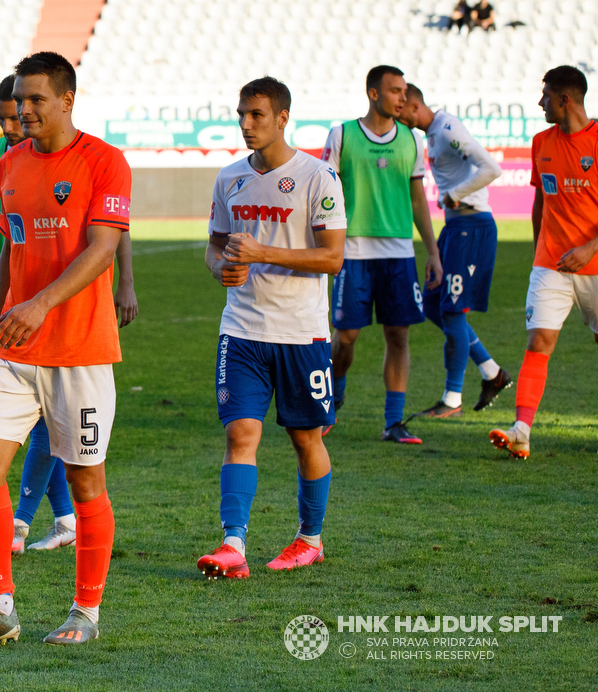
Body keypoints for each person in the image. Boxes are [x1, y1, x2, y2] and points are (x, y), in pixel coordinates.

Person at [0, 52, 130, 649]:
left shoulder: (105, 161)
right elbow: (9, 247)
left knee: (85, 481)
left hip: (80, 350)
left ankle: (86, 612)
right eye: (18, 100)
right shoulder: (8, 163)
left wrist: (40, 305)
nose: (22, 110)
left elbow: (101, 250)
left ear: (67, 100)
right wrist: (0, 319)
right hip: (15, 350)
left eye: (35, 100)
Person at [196, 76, 345, 581]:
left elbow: (333, 258)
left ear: (282, 118)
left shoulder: (318, 178)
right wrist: (222, 270)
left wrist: (262, 253)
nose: (245, 124)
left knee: (306, 438)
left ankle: (310, 539)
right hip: (241, 329)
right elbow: (216, 246)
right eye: (241, 114)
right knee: (241, 434)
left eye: (256, 115)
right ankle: (233, 543)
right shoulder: (229, 178)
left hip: (301, 333)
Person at [323, 66, 443, 443]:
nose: (403, 99)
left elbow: (417, 197)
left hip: (398, 253)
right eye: (395, 91)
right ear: (374, 94)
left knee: (398, 334)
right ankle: (333, 394)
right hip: (353, 252)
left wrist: (433, 251)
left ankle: (393, 422)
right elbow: (324, 193)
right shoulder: (341, 134)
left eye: (405, 92)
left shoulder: (410, 138)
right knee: (346, 338)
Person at [489, 66, 598, 459]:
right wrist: (540, 251)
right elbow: (540, 200)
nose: (540, 103)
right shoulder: (541, 142)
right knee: (539, 342)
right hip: (551, 264)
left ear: (565, 100)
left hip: (595, 264)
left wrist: (590, 248)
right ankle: (521, 432)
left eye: (546, 96)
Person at [395, 84, 511, 418]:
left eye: (401, 111)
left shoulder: (447, 129)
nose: (397, 118)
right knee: (432, 303)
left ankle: (452, 399)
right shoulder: (431, 133)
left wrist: (454, 194)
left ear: (414, 106)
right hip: (455, 228)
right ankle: (491, 372)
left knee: (452, 311)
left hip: (471, 228)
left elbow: (491, 167)